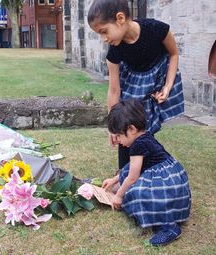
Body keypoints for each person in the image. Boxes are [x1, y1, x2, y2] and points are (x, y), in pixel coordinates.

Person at [88, 0, 184, 170]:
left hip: (157, 79)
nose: (103, 39)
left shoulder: (157, 29)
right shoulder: (114, 53)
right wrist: (113, 126)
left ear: (120, 18)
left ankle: (149, 172)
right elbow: (114, 90)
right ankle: (124, 173)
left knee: (144, 134)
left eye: (104, 32)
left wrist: (167, 87)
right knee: (126, 128)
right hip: (133, 87)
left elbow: (174, 54)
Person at [102, 99, 191, 246]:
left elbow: (132, 177)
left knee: (137, 193)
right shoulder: (144, 137)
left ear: (131, 129)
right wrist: (114, 180)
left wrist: (118, 196)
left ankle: (169, 227)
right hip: (169, 179)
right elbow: (131, 170)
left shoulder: (138, 144)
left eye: (118, 136)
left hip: (166, 184)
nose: (117, 140)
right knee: (126, 174)